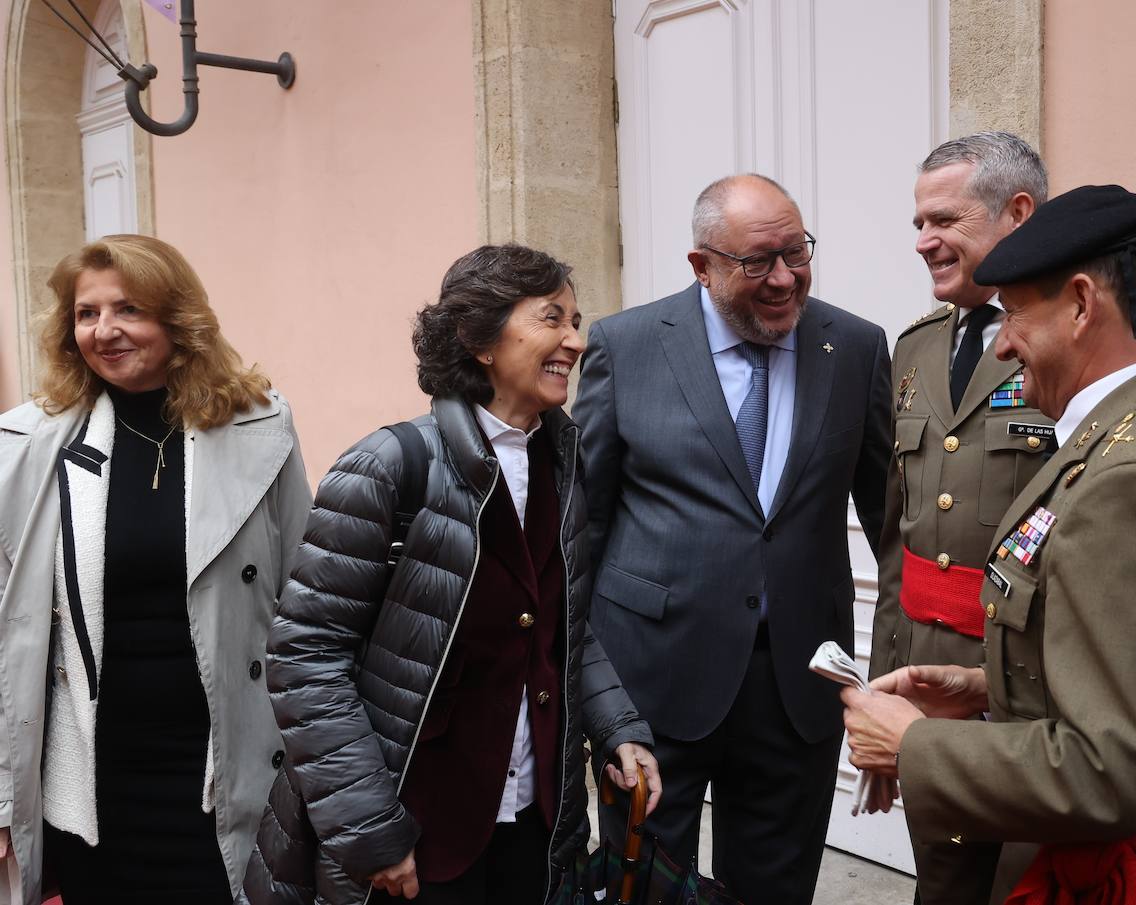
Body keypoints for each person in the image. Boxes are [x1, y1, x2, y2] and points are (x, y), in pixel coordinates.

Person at [869, 133, 1136, 905]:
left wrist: (914, 744)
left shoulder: (1135, 472)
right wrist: (987, 688)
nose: (1004, 342)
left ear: (1078, 304)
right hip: (1020, 706)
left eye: (1018, 316)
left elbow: (1110, 766)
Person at [245, 244, 659, 905]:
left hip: (534, 819)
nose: (574, 342)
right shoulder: (387, 465)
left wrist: (618, 727)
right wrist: (372, 830)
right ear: (477, 339)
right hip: (416, 826)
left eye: (576, 321)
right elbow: (303, 656)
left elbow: (562, 627)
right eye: (551, 318)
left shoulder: (563, 460)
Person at [571, 173, 892, 903]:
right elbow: (581, 526)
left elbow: (891, 525)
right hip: (652, 683)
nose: (784, 278)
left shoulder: (857, 348)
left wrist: (890, 685)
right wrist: (587, 689)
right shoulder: (626, 347)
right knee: (643, 885)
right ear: (701, 266)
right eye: (758, 262)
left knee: (775, 888)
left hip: (797, 686)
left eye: (797, 252)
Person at [0, 234, 312, 904]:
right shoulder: (26, 445)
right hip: (94, 781)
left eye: (128, 310)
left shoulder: (260, 427)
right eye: (86, 313)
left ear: (177, 320)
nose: (104, 330)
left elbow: (304, 605)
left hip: (224, 769)